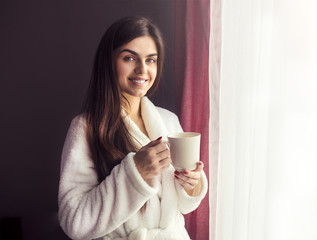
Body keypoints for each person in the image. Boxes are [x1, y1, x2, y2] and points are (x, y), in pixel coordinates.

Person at [58, 16, 208, 240]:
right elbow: (74, 220)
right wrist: (134, 173)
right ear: (108, 62)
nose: (142, 69)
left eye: (151, 60)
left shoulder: (168, 121)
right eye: (129, 58)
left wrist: (191, 185)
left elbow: (182, 206)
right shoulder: (86, 128)